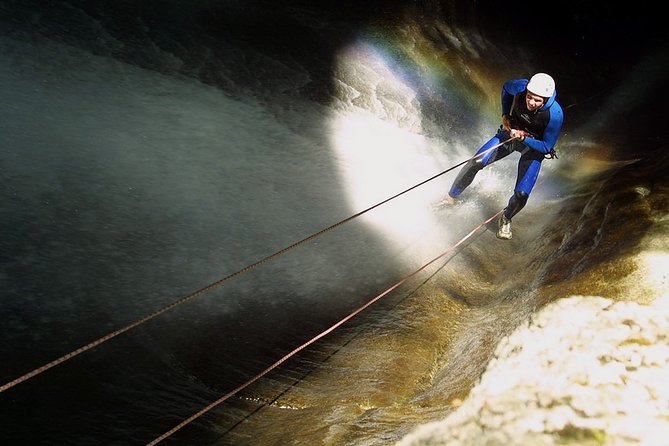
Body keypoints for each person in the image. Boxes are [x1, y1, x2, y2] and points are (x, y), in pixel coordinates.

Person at [436, 73, 564, 240]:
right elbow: (506, 89)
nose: (531, 102)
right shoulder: (520, 87)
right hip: (510, 134)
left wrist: (524, 138)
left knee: (521, 195)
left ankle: (506, 218)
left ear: (546, 100)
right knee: (476, 161)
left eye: (537, 100)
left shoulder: (555, 114)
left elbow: (546, 147)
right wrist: (505, 115)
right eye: (529, 97)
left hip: (533, 148)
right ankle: (450, 198)